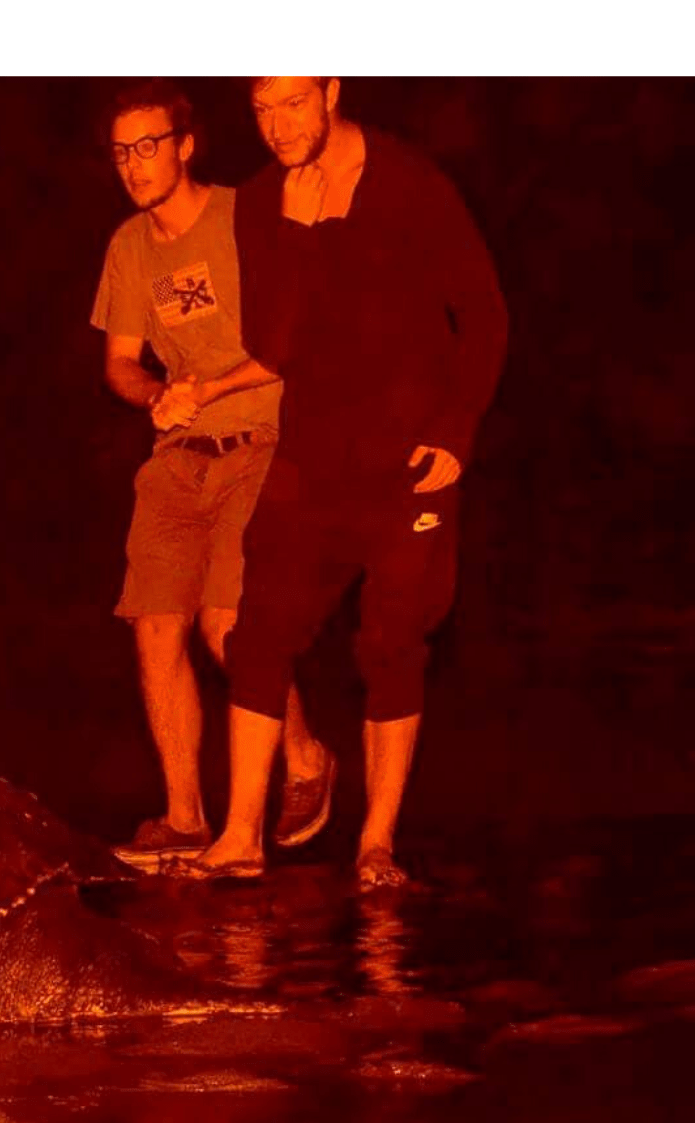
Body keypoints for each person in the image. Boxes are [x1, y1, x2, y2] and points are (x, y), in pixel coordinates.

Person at [169, 77, 508, 886]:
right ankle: (240, 837)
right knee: (256, 633)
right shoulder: (261, 202)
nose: (278, 126)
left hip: (410, 464)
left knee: (391, 643)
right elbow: (274, 345)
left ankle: (376, 845)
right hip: (311, 463)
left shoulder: (412, 183)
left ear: (331, 89)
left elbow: (486, 314)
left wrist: (455, 432)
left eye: (294, 103)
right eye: (263, 110)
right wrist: (298, 231)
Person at [87, 80, 309, 871]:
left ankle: (304, 752)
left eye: (149, 146)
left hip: (259, 440)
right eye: (122, 151)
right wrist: (156, 394)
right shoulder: (128, 247)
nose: (134, 164)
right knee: (154, 628)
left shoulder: (244, 218)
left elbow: (292, 340)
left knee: (225, 625)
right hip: (178, 456)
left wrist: (207, 390)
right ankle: (184, 817)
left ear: (185, 147)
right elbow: (120, 362)